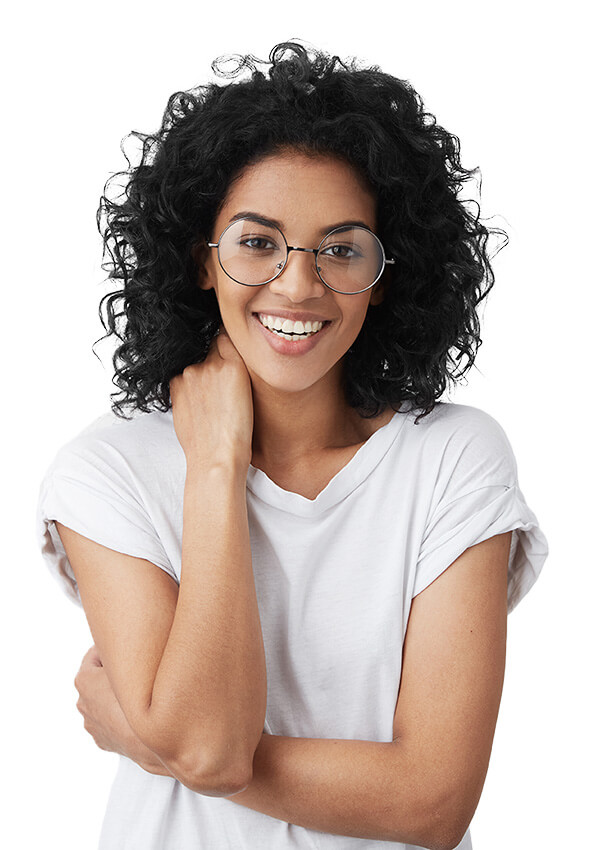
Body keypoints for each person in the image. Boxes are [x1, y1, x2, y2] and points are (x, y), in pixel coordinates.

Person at [36, 40, 548, 850]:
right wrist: (213, 471)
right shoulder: (110, 471)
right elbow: (205, 742)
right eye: (257, 242)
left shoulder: (451, 458)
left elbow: (433, 804)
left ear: (385, 275)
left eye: (341, 249)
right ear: (200, 261)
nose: (299, 285)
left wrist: (153, 743)